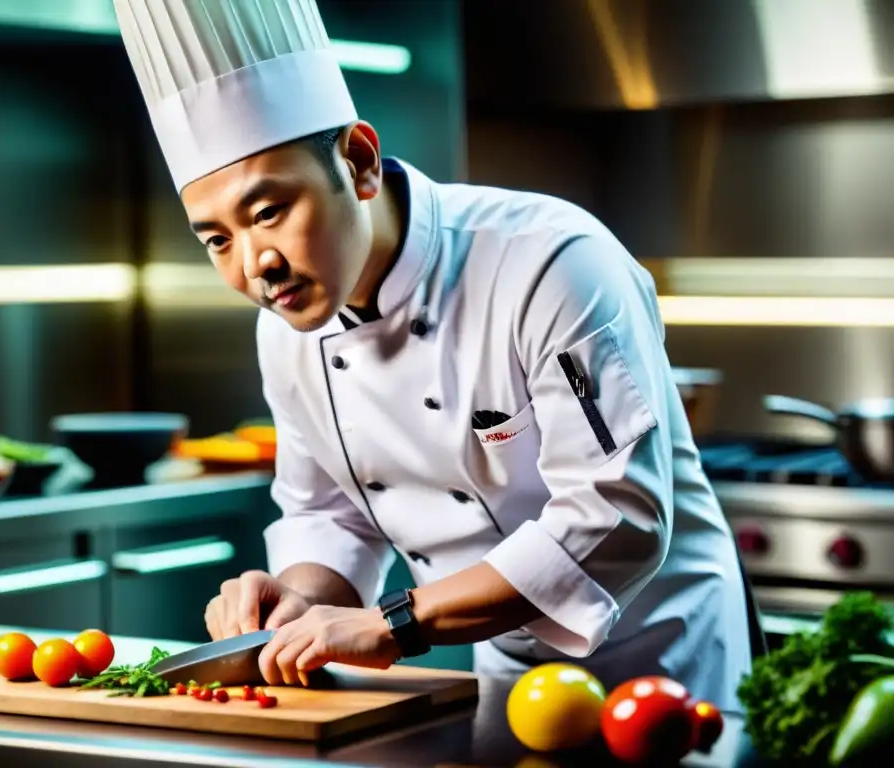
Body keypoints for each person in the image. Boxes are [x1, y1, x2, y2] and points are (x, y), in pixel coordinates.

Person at [111, 0, 763, 712]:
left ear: (358, 162)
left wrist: (395, 623)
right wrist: (297, 599)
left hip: (668, 666)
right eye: (217, 240)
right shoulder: (287, 329)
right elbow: (331, 511)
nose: (255, 265)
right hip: (510, 676)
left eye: (268, 213)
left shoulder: (547, 261)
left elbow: (615, 517)